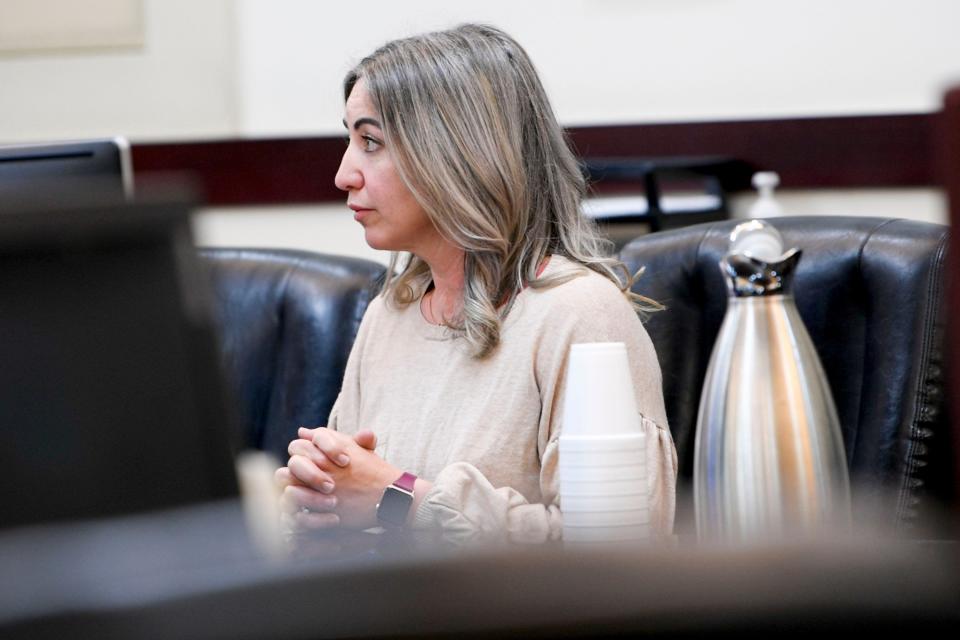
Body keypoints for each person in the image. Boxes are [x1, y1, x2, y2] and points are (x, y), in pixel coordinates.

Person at [276, 23, 677, 547]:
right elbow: (361, 498)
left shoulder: (581, 314)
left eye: (370, 141)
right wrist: (320, 502)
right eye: (349, 138)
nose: (344, 174)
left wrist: (398, 499)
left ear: (457, 154)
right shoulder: (389, 314)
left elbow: (619, 556)